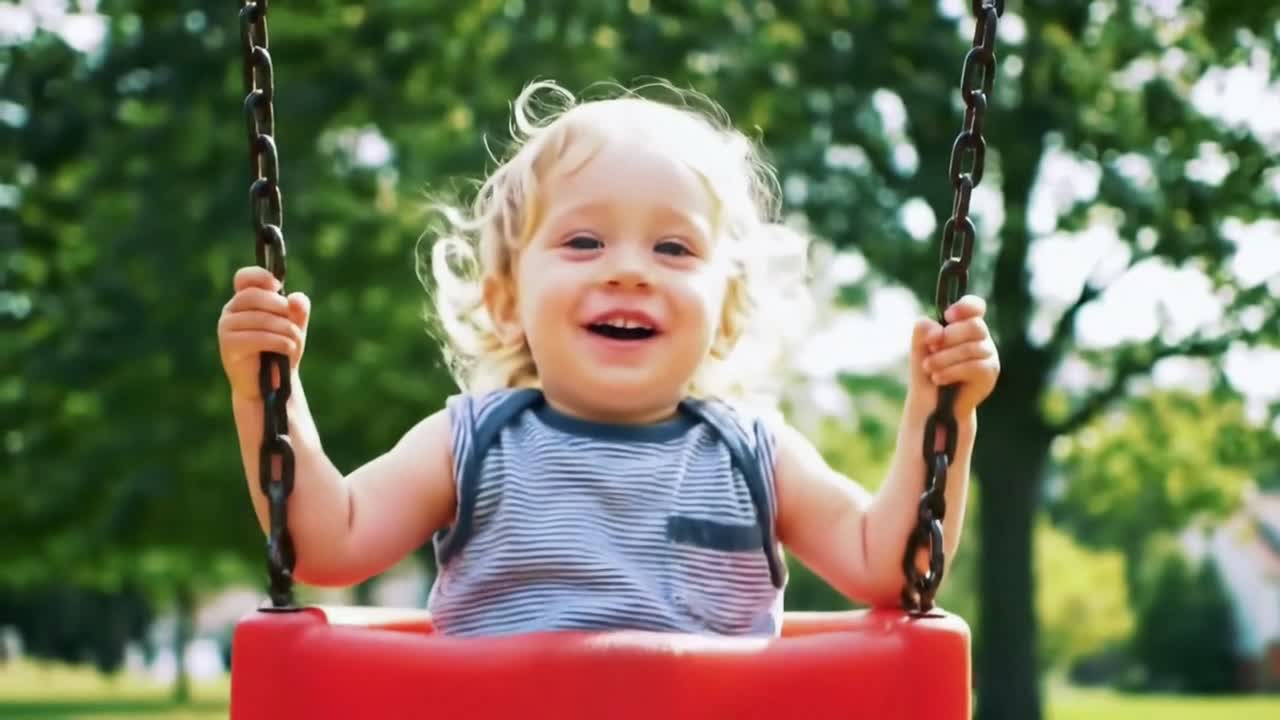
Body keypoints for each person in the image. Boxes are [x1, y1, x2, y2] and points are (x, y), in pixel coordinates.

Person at [217, 80, 1000, 637]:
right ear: (505, 297)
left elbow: (888, 567)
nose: (628, 270)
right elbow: (329, 541)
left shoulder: (753, 454)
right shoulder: (470, 442)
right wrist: (267, 397)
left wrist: (943, 415)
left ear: (724, 310)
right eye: (583, 241)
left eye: (673, 247)